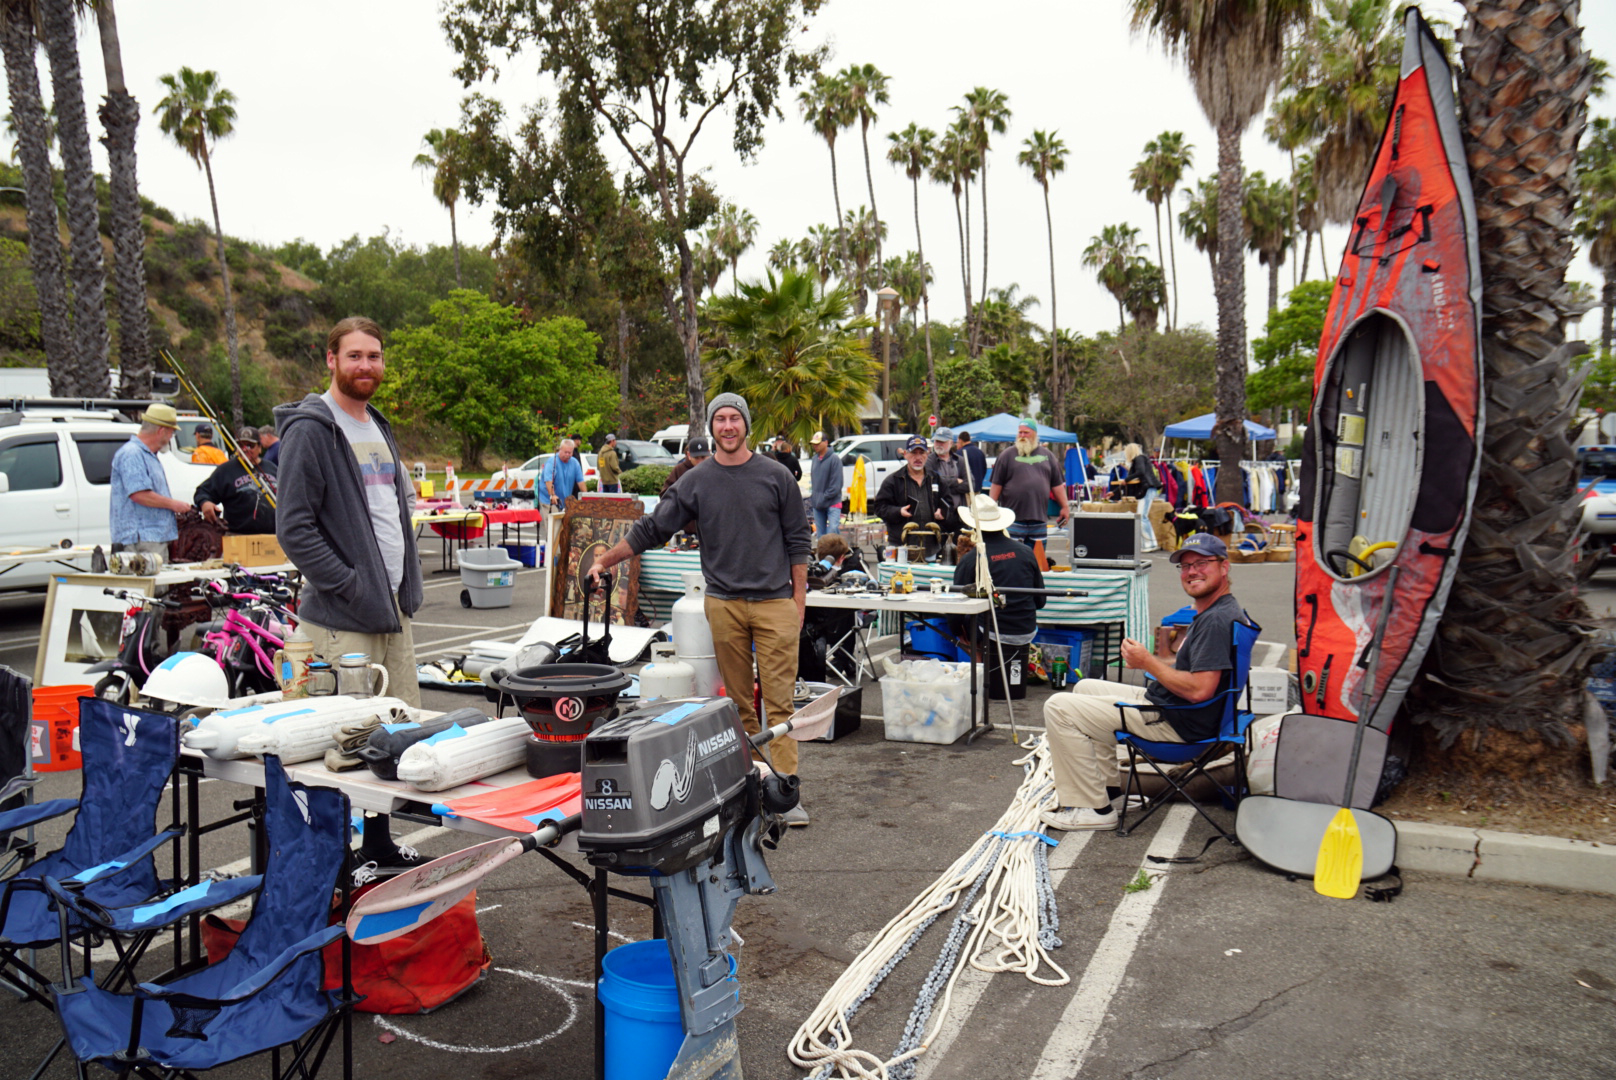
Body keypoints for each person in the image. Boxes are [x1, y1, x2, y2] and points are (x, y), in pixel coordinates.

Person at [587, 393, 812, 824]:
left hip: (774, 604)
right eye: (720, 420)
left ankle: (784, 794)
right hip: (723, 605)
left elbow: (798, 541)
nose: (728, 427)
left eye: (735, 419)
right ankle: (751, 789)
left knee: (780, 706)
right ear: (712, 428)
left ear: (747, 424)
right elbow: (652, 528)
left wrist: (798, 601)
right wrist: (603, 560)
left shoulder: (776, 476)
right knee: (739, 705)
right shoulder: (697, 480)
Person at [274, 315, 426, 875]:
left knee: (390, 729)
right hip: (343, 616)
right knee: (339, 741)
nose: (366, 366)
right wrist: (349, 583)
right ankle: (332, 856)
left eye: (375, 356)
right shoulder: (312, 429)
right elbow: (293, 528)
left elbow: (391, 510)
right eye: (355, 356)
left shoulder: (375, 425)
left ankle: (378, 843)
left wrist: (400, 586)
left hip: (390, 609)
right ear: (331, 360)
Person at [1039, 533, 1247, 831]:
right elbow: (1200, 676)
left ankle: (1092, 809)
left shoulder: (1215, 621)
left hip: (1178, 724)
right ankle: (1110, 792)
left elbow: (1200, 690)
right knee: (1086, 687)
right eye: (1185, 566)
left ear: (1224, 567)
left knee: (1059, 706)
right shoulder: (1222, 610)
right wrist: (1155, 661)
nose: (1191, 572)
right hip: (1181, 711)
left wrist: (1147, 662)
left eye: (1202, 563)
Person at [949, 495, 1046, 690]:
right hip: (1026, 628)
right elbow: (1040, 601)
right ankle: (994, 672)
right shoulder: (1026, 552)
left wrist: (958, 632)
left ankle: (980, 675)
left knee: (963, 624)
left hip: (992, 631)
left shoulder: (971, 559)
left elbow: (954, 606)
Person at [110, 403, 190, 563]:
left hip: (150, 538)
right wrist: (174, 505)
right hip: (141, 539)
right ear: (162, 431)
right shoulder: (132, 453)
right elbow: (139, 494)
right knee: (149, 587)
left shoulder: (147, 455)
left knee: (158, 587)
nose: (170, 438)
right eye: (171, 433)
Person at [988, 417, 1070, 546]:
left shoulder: (1048, 456)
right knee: (1012, 559)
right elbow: (996, 484)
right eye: (1020, 432)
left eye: (1026, 432)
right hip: (1012, 519)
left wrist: (1065, 507)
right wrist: (990, 509)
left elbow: (1057, 485)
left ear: (1035, 434)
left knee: (1037, 561)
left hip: (1038, 520)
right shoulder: (1006, 455)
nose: (1022, 435)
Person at [872, 435, 957, 547]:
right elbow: (879, 508)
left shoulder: (936, 479)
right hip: (902, 545)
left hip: (931, 546)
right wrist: (898, 511)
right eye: (914, 453)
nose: (918, 457)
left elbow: (949, 505)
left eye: (921, 453)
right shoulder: (893, 480)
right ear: (906, 454)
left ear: (927, 454)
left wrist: (943, 512)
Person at [194, 427, 278, 534]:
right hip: (237, 535)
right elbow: (203, 491)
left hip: (273, 535)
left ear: (259, 447)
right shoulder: (225, 470)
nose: (245, 449)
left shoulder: (272, 468)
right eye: (240, 445)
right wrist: (205, 503)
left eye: (250, 445)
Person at [925, 427, 969, 532]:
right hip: (938, 515)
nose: (939, 444)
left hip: (958, 515)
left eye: (942, 442)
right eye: (937, 441)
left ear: (951, 443)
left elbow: (969, 484)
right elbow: (930, 483)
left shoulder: (960, 461)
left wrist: (943, 486)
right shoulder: (929, 461)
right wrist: (955, 481)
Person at [1123, 442, 1162, 553]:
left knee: (1142, 517)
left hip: (1147, 488)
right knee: (1143, 517)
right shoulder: (1142, 458)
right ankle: (1150, 543)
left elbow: (1140, 472)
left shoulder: (1139, 459)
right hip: (1149, 488)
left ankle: (1149, 543)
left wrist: (1126, 480)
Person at [807, 430, 843, 537]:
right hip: (818, 504)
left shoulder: (834, 459)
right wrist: (815, 499)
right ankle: (823, 554)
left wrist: (823, 497)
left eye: (818, 443)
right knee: (821, 535)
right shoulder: (814, 459)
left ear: (826, 442)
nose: (815, 446)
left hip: (833, 502)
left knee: (832, 530)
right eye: (814, 444)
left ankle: (835, 552)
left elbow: (836, 485)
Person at [540, 439, 585, 510]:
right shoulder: (552, 462)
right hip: (548, 501)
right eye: (565, 452)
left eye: (569, 453)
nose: (567, 455)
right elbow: (548, 481)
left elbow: (580, 481)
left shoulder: (575, 463)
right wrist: (552, 495)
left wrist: (586, 496)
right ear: (560, 450)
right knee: (555, 519)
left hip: (565, 502)